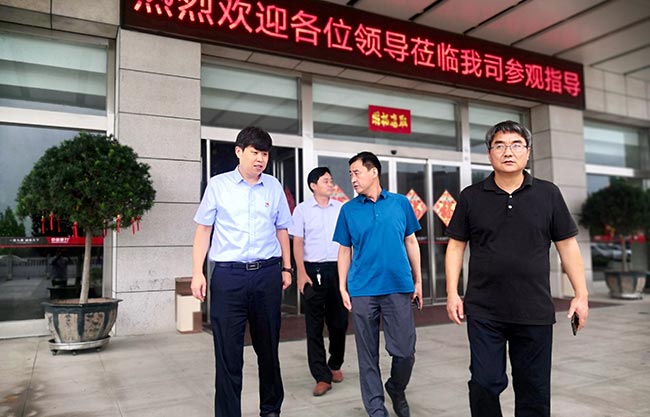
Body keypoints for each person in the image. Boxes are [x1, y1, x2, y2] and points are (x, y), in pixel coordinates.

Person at [445, 120, 589, 417]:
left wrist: (581, 294)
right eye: (499, 145)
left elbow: (567, 245)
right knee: (484, 383)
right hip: (484, 310)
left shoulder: (548, 194)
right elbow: (456, 246)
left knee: (534, 389)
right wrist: (451, 293)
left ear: (528, 151)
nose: (507, 152)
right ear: (489, 153)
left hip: (533, 309)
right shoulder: (471, 196)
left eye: (515, 145)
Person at [191, 126, 293, 417]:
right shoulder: (218, 185)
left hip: (266, 275)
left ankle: (271, 410)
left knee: (268, 349)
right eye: (255, 152)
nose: (260, 159)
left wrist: (287, 267)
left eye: (265, 154)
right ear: (239, 151)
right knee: (228, 353)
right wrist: (197, 272)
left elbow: (282, 229)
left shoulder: (273, 186)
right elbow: (204, 230)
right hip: (228, 277)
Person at [333, 151, 422, 417]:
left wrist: (418, 280)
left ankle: (396, 387)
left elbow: (411, 241)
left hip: (398, 286)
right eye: (350, 174)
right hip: (362, 289)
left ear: (374, 172)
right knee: (367, 354)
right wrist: (342, 286)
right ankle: (375, 409)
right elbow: (344, 250)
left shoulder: (400, 203)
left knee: (405, 351)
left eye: (357, 172)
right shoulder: (348, 210)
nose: (353, 179)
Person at [289, 167, 348, 397]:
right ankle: (321, 376)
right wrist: (301, 273)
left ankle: (335, 364)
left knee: (339, 322)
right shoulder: (302, 210)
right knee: (313, 326)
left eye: (331, 180)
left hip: (338, 269)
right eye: (326, 181)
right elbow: (297, 243)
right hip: (312, 271)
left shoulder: (341, 208)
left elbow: (348, 242)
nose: (330, 184)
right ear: (313, 185)